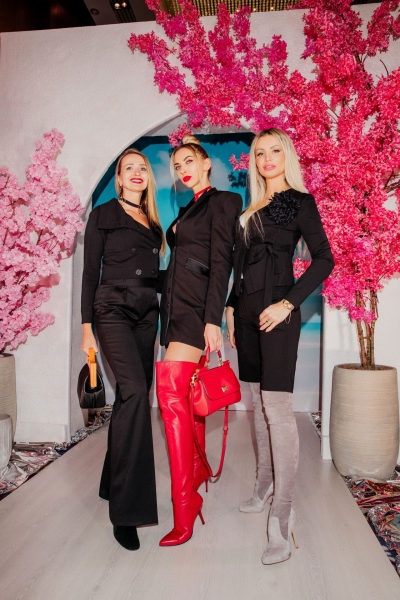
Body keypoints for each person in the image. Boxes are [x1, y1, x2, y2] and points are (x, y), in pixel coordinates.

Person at [225, 128, 334, 565]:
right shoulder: (249, 208)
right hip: (246, 316)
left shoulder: (300, 202)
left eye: (275, 151)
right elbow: (240, 267)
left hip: (279, 315)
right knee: (255, 401)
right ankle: (263, 483)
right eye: (260, 153)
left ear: (286, 155)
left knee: (277, 408)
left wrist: (288, 303)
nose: (267, 158)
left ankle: (282, 516)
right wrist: (231, 309)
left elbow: (324, 258)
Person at [156, 135, 242, 547]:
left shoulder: (224, 202)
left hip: (195, 309)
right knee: (186, 399)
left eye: (189, 161)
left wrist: (213, 319)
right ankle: (197, 471)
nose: (183, 170)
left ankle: (184, 504)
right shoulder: (187, 208)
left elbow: (221, 262)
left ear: (207, 163)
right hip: (173, 311)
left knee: (170, 396)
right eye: (177, 165)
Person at [81, 148, 165, 551]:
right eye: (128, 167)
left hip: (148, 314)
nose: (136, 172)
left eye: (142, 167)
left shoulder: (153, 223)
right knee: (132, 393)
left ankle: (108, 482)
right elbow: (89, 274)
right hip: (112, 307)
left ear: (148, 178)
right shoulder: (103, 215)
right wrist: (87, 330)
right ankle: (127, 513)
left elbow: (154, 276)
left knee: (136, 397)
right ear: (118, 179)